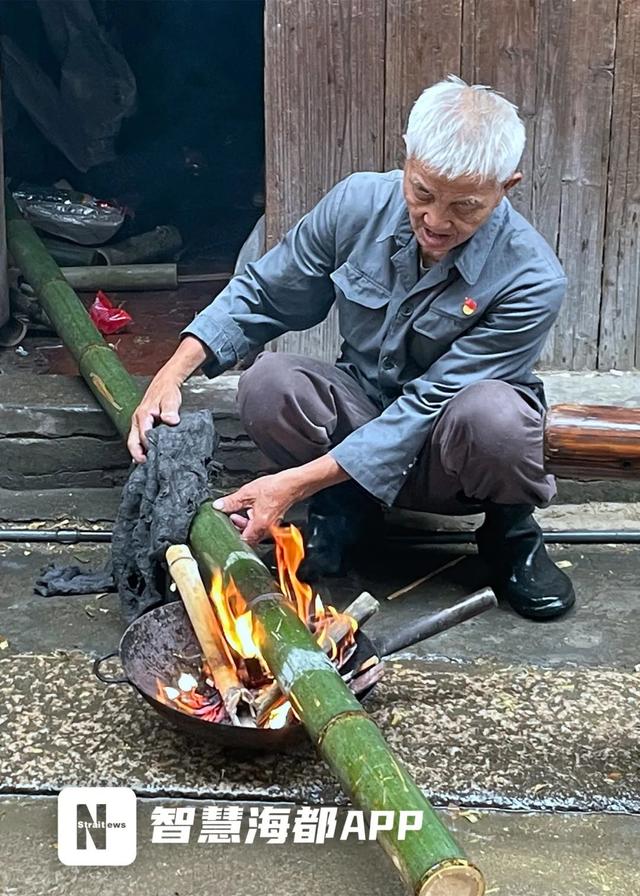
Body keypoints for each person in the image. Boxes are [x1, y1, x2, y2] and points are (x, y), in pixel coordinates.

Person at [128, 76, 575, 621]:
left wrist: (290, 485)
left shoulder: (531, 277)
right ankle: (347, 506)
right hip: (364, 411)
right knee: (270, 383)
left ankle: (510, 532)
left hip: (452, 451)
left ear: (508, 186)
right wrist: (171, 373)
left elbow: (431, 403)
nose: (436, 221)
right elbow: (266, 291)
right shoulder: (358, 202)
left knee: (498, 417)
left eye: (466, 206)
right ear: (408, 160)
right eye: (423, 192)